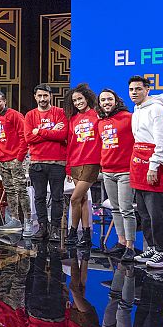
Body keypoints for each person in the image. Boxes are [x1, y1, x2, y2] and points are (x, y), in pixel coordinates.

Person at [128, 75, 163, 268]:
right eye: (131, 90)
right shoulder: (137, 110)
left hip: (153, 166)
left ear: (147, 89)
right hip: (139, 164)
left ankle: (162, 252)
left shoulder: (157, 110)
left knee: (156, 212)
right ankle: (152, 248)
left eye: (138, 89)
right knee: (143, 212)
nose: (134, 93)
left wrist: (154, 165)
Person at [96, 89, 136, 262]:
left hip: (125, 171)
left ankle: (130, 246)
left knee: (126, 209)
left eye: (109, 99)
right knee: (115, 208)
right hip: (108, 171)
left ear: (116, 100)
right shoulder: (100, 123)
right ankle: (120, 242)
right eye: (103, 100)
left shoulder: (129, 118)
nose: (106, 102)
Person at [24, 84, 68, 240]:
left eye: (45, 96)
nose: (42, 99)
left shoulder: (60, 112)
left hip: (58, 162)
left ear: (50, 96)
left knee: (57, 197)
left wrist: (40, 132)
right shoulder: (30, 115)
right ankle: (42, 227)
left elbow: (62, 135)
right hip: (37, 162)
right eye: (39, 96)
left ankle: (55, 228)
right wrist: (52, 131)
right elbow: (29, 138)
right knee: (39, 197)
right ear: (35, 97)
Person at [64, 84, 101, 248]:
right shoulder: (73, 119)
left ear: (87, 98)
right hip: (75, 162)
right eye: (75, 100)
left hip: (91, 162)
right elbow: (70, 144)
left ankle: (73, 232)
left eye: (80, 98)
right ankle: (86, 234)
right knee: (83, 199)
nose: (78, 102)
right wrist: (68, 166)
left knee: (74, 198)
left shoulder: (97, 115)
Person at [0, 91, 31, 236]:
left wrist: (19, 158)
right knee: (10, 190)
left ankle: (28, 220)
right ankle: (15, 219)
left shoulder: (15, 115)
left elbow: (24, 136)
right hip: (2, 159)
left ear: (5, 101)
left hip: (15, 159)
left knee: (21, 190)